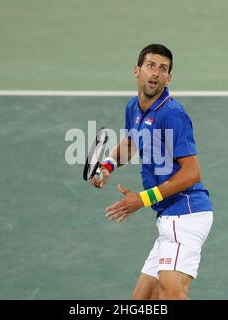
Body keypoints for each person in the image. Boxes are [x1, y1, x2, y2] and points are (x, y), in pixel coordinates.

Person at [90, 44, 213, 300]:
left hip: (186, 214)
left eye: (163, 69)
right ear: (137, 71)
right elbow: (132, 142)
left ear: (169, 78)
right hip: (168, 218)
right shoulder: (133, 108)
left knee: (171, 293)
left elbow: (192, 173)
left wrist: (142, 199)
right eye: (150, 66)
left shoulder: (173, 114)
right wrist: (107, 167)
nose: (155, 73)